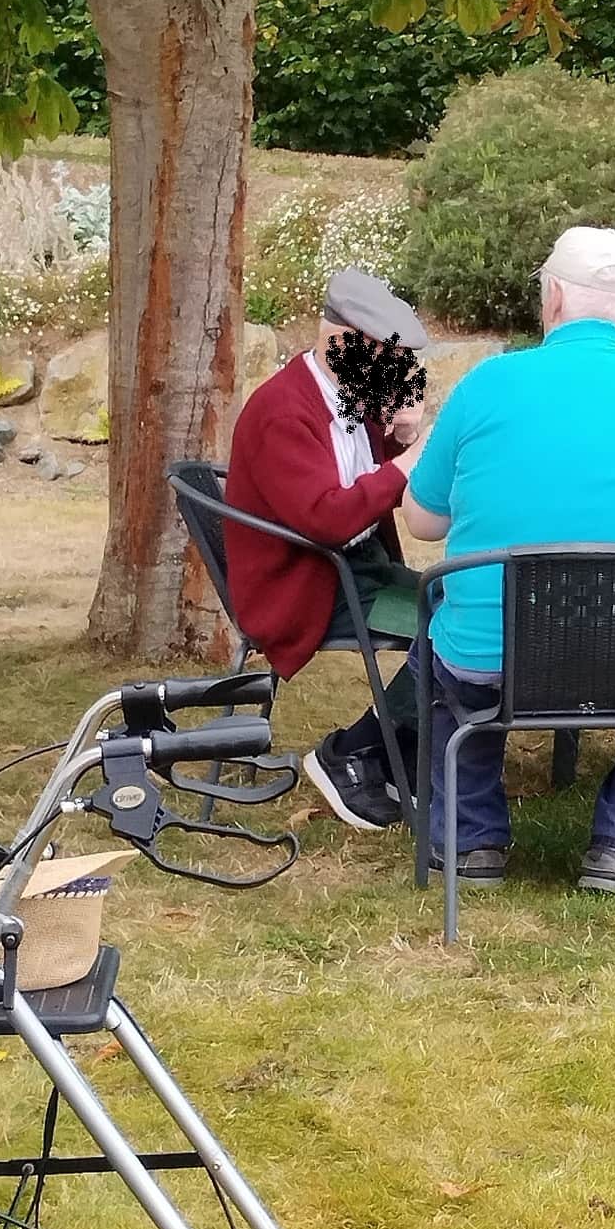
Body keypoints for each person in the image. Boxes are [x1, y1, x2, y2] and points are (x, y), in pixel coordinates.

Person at [402, 226, 615, 897]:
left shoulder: (486, 385)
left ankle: (470, 839)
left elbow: (422, 520)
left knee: (439, 657)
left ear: (552, 296)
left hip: (490, 661)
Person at [223, 267, 429, 832]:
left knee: (465, 604)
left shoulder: (342, 394)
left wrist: (401, 439)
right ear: (343, 342)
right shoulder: (283, 411)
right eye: (390, 356)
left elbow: (358, 475)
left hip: (352, 569)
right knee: (455, 625)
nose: (399, 371)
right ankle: (354, 751)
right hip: (307, 587)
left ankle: (401, 756)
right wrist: (410, 465)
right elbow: (328, 519)